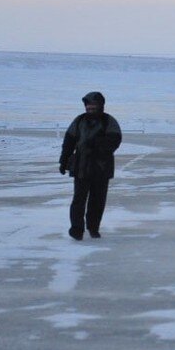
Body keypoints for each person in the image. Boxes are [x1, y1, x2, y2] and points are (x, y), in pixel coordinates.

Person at [59, 91, 123, 240]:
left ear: (100, 106)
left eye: (93, 107)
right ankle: (76, 229)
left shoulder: (109, 121)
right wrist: (64, 160)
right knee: (78, 200)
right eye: (88, 107)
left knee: (97, 200)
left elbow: (115, 140)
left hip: (101, 168)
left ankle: (93, 228)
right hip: (81, 167)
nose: (90, 110)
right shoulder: (79, 121)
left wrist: (97, 145)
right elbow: (69, 141)